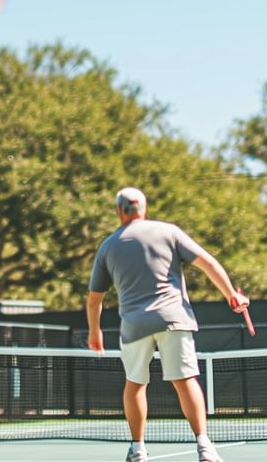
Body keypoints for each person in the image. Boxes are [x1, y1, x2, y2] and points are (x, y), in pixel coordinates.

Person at [86, 188, 249, 462]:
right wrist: (231, 295)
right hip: (174, 319)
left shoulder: (108, 246)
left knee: (135, 384)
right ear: (144, 208)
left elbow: (94, 301)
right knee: (185, 381)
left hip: (134, 326)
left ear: (119, 211)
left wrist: (95, 331)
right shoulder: (169, 232)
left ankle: (138, 449)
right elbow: (207, 263)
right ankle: (205, 446)